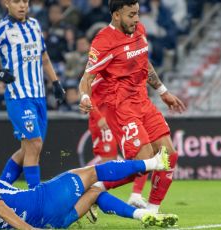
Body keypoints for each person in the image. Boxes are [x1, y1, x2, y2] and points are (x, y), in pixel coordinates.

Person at [0, 147, 178, 229]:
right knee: (93, 172)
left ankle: (143, 218)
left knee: (95, 194)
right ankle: (155, 162)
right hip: (41, 203)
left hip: (52, 222)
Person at [78, 0, 186, 213]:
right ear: (116, 15)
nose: (136, 19)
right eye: (131, 15)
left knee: (169, 154)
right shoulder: (104, 41)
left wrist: (163, 91)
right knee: (144, 161)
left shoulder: (139, 30)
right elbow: (87, 78)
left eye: (137, 14)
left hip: (143, 101)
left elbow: (144, 62)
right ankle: (93, 188)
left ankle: (153, 211)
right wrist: (84, 97)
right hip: (122, 107)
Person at [0, 0, 66, 189]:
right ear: (7, 3)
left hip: (39, 96)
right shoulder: (0, 29)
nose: (22, 5)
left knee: (29, 148)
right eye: (17, 1)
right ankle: (35, 195)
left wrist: (56, 82)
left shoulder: (34, 25)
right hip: (19, 97)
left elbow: (44, 57)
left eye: (25, 1)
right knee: (34, 144)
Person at [89, 76, 149, 209]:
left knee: (141, 154)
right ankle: (91, 195)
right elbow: (86, 93)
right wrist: (98, 116)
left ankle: (136, 195)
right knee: (108, 165)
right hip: (103, 120)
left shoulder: (120, 68)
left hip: (120, 116)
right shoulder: (100, 67)